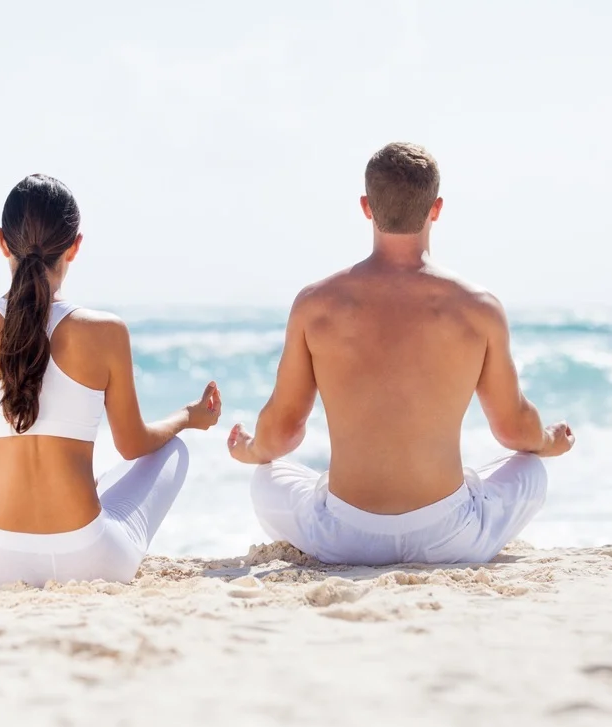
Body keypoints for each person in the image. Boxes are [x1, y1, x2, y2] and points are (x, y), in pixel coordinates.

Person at [0, 174, 221, 586]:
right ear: (75, 247)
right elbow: (134, 444)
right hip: (94, 561)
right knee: (173, 450)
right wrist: (189, 416)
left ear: (1, 242)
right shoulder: (106, 331)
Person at [227, 142, 574, 565]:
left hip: (345, 536)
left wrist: (247, 448)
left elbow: (281, 434)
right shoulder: (478, 307)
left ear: (366, 207)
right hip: (449, 535)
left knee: (266, 479)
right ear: (437, 207)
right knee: (531, 468)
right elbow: (514, 431)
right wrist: (550, 440)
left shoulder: (315, 304)